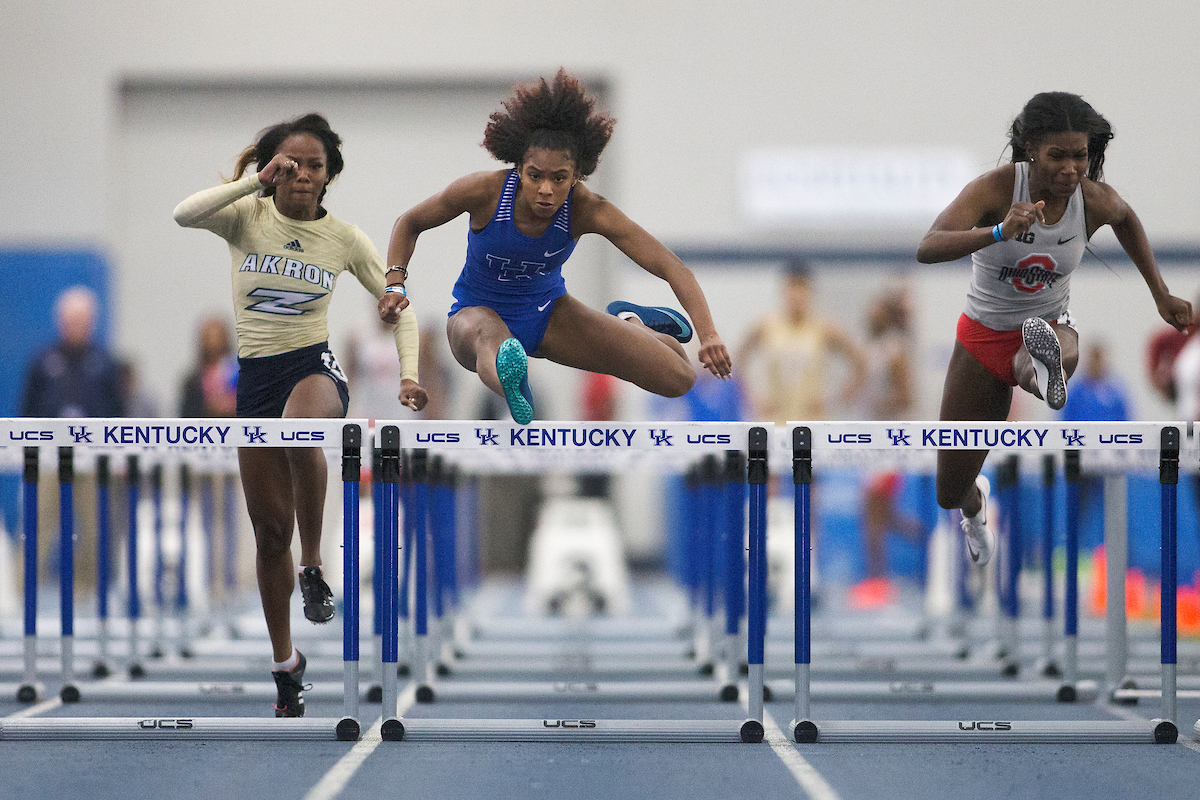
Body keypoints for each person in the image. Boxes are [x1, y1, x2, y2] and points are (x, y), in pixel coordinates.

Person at [173, 113, 427, 717]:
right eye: (290, 165)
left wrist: (410, 371)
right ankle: (286, 662)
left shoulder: (344, 239)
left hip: (312, 368)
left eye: (314, 165)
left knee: (300, 432)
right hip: (255, 381)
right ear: (273, 169)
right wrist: (252, 183)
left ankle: (313, 561)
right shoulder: (246, 217)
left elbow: (403, 308)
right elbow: (184, 213)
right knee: (266, 535)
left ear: (328, 174)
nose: (302, 175)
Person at [917, 92, 1192, 568]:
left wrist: (1160, 294)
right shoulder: (996, 190)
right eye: (1058, 156)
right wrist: (999, 232)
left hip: (1047, 324)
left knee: (1052, 345)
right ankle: (975, 508)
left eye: (1080, 156)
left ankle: (1043, 371)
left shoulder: (1094, 200)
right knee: (949, 491)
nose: (1071, 169)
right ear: (1030, 150)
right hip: (982, 336)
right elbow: (928, 247)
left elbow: (1127, 221)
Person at [378, 70, 731, 425]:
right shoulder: (483, 192)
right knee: (493, 340)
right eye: (535, 176)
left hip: (550, 317)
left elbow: (671, 266)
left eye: (559, 178)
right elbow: (409, 223)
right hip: (474, 316)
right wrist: (394, 282)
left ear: (577, 175)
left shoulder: (587, 208)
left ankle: (633, 323)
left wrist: (709, 335)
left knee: (679, 379)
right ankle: (514, 384)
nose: (545, 189)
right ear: (518, 167)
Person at [20, 285, 124, 594]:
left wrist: (116, 455)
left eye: (83, 320)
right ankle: (24, 591)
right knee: (37, 525)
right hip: (50, 455)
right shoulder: (43, 361)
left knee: (94, 529)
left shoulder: (105, 362)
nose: (76, 326)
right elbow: (26, 410)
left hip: (92, 456)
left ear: (92, 322)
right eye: (71, 319)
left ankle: (88, 593)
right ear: (61, 322)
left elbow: (119, 413)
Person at [736, 259, 866, 427]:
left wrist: (838, 398)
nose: (797, 294)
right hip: (775, 422)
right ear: (784, 290)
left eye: (802, 287)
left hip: (812, 423)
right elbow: (738, 360)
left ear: (810, 290)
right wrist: (751, 398)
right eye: (792, 287)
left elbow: (860, 361)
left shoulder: (823, 327)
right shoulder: (766, 325)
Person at [178, 316, 238, 418]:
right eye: (209, 338)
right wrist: (210, 407)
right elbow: (186, 415)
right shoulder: (193, 381)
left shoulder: (239, 374)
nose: (214, 343)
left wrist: (231, 406)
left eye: (218, 337)